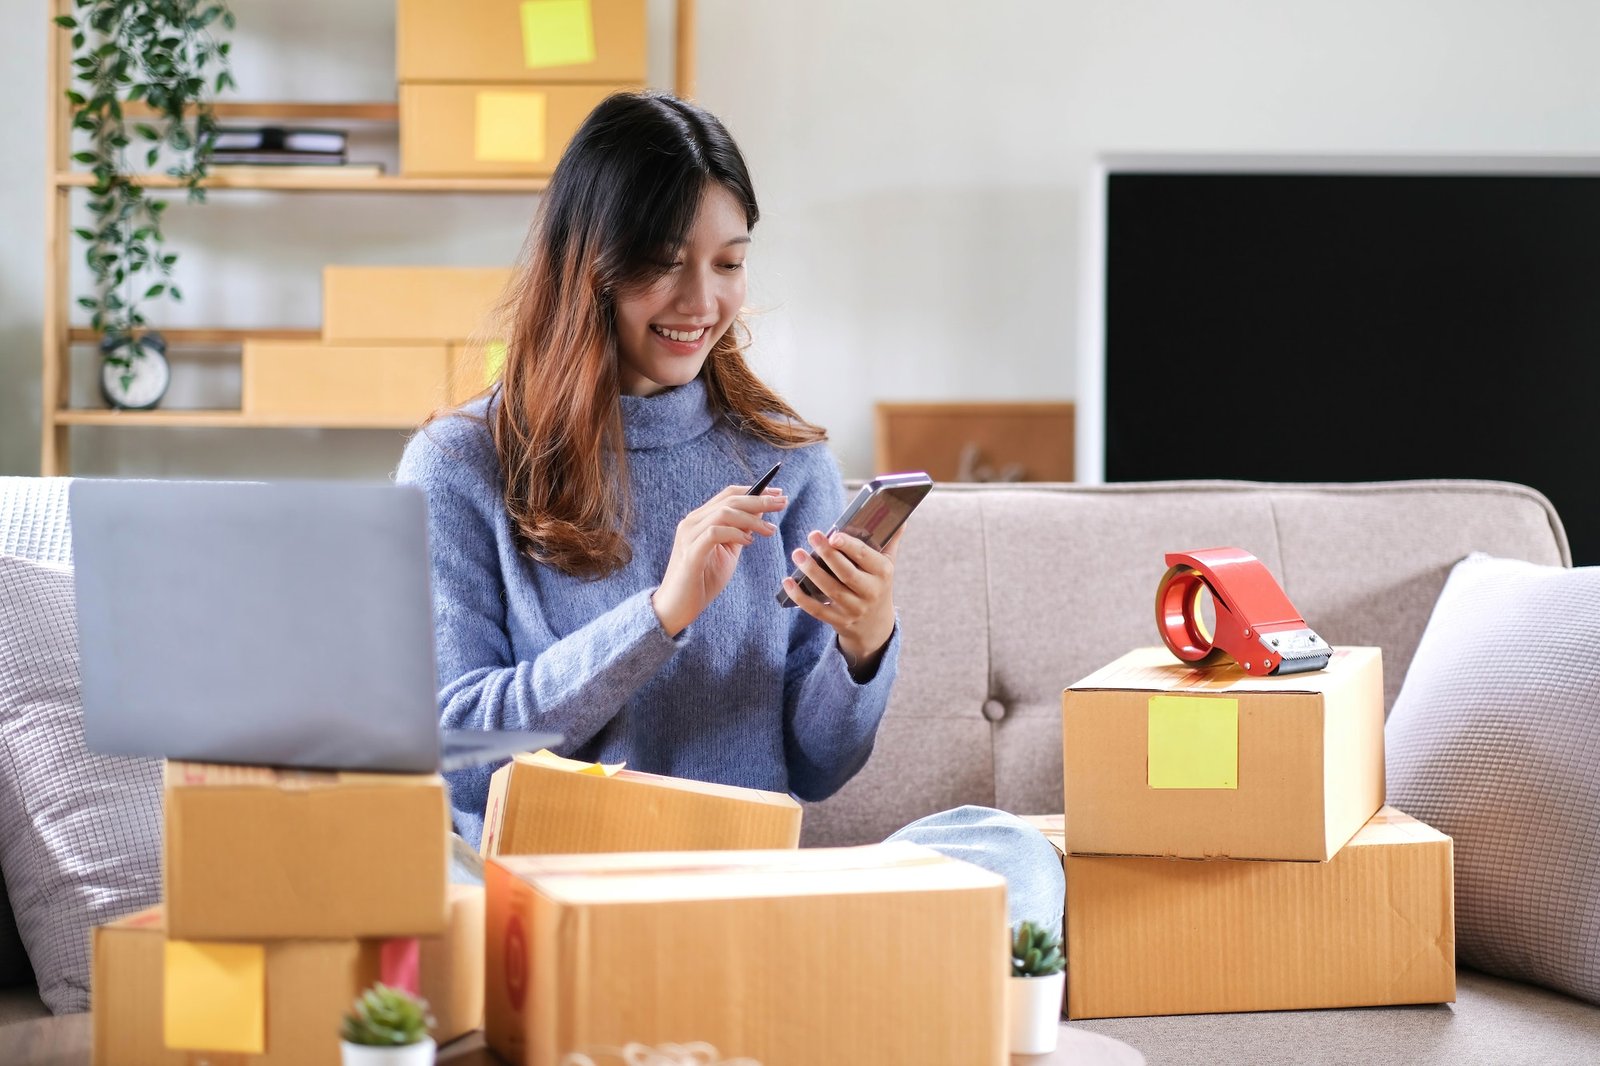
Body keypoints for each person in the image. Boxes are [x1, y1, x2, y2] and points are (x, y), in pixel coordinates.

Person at [397, 90, 1061, 934]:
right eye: (664, 261)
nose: (700, 301)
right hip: (556, 906)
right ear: (587, 262)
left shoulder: (787, 459)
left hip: (740, 896)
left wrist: (863, 649)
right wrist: (660, 615)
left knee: (1003, 853)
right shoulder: (462, 464)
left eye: (729, 263)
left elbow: (818, 770)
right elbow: (458, 757)